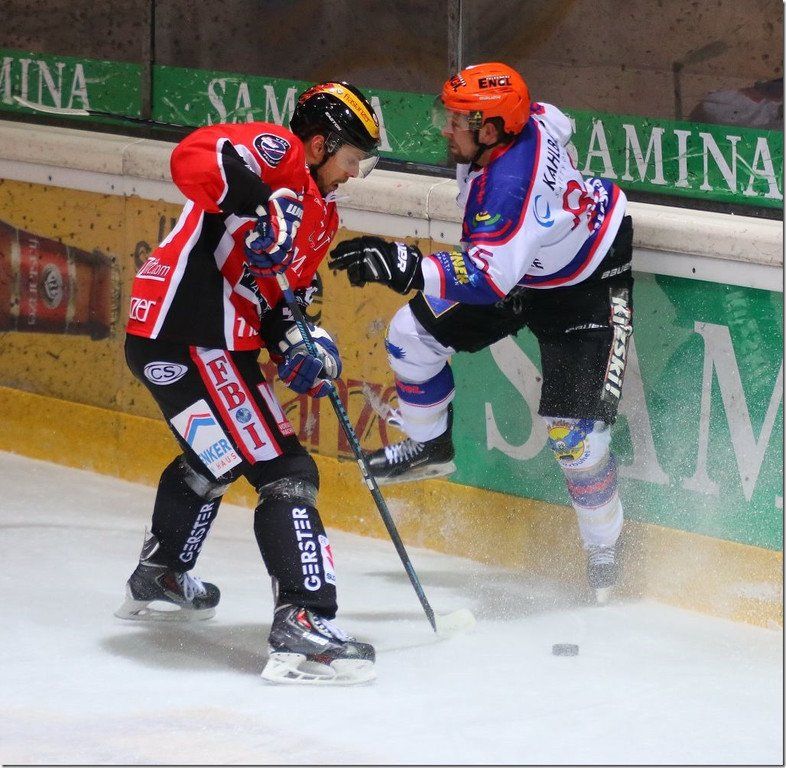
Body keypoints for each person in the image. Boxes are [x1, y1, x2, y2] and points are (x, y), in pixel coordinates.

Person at [329, 63, 634, 602]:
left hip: (586, 277)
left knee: (575, 437)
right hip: (524, 262)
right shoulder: (527, 122)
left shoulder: (509, 188)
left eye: (457, 121)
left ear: (491, 131)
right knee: (410, 334)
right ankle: (430, 446)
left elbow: (488, 279)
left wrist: (402, 264)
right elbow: (558, 122)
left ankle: (605, 548)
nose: (446, 129)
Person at [116, 81, 381, 685]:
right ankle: (303, 621)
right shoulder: (279, 154)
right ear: (320, 143)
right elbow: (193, 157)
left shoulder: (324, 215)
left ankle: (161, 574)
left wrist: (297, 344)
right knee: (286, 471)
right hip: (190, 333)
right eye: (351, 157)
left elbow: (278, 300)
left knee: (216, 458)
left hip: (195, 341)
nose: (353, 173)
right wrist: (264, 204)